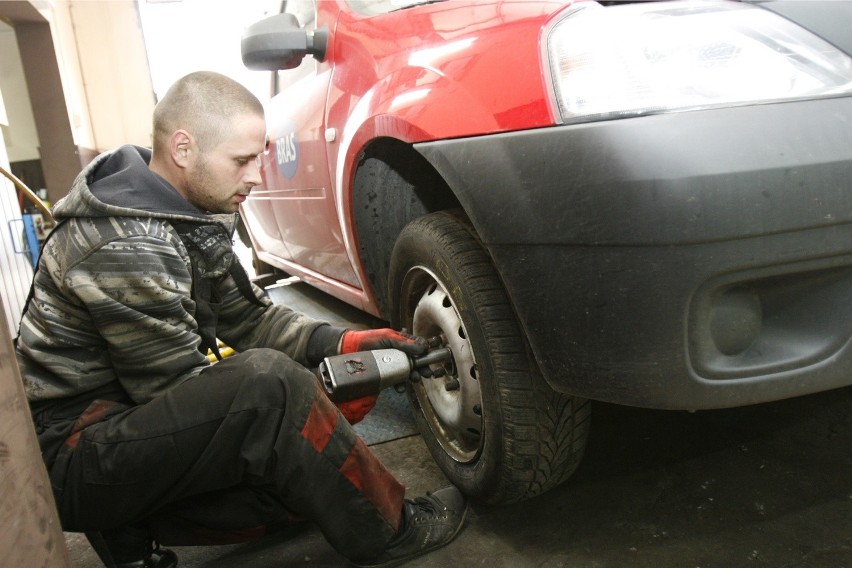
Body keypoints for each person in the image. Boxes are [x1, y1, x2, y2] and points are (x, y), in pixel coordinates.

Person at [15, 71, 467, 568]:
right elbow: (173, 391)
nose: (256, 175)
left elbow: (250, 319)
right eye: (242, 160)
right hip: (75, 453)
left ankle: (132, 522)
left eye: (261, 156)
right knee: (273, 392)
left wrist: (346, 344)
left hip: (124, 427)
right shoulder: (126, 243)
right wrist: (318, 392)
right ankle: (392, 534)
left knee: (310, 483)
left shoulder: (184, 214)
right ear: (183, 149)